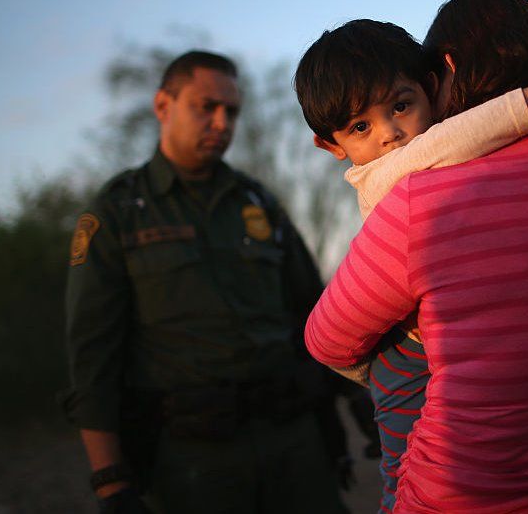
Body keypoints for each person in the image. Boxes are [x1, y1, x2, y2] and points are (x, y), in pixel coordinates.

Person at [305, 0, 528, 513]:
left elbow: (327, 340)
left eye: (404, 105)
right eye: (362, 126)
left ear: (443, 73)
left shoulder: (423, 195)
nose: (392, 136)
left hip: (462, 490)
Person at [60, 50, 350, 514]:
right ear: (162, 106)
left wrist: (361, 410)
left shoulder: (258, 202)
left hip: (294, 444)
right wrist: (110, 481)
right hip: (190, 459)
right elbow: (92, 356)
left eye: (231, 111)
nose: (221, 122)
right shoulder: (117, 212)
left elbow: (321, 312)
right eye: (205, 106)